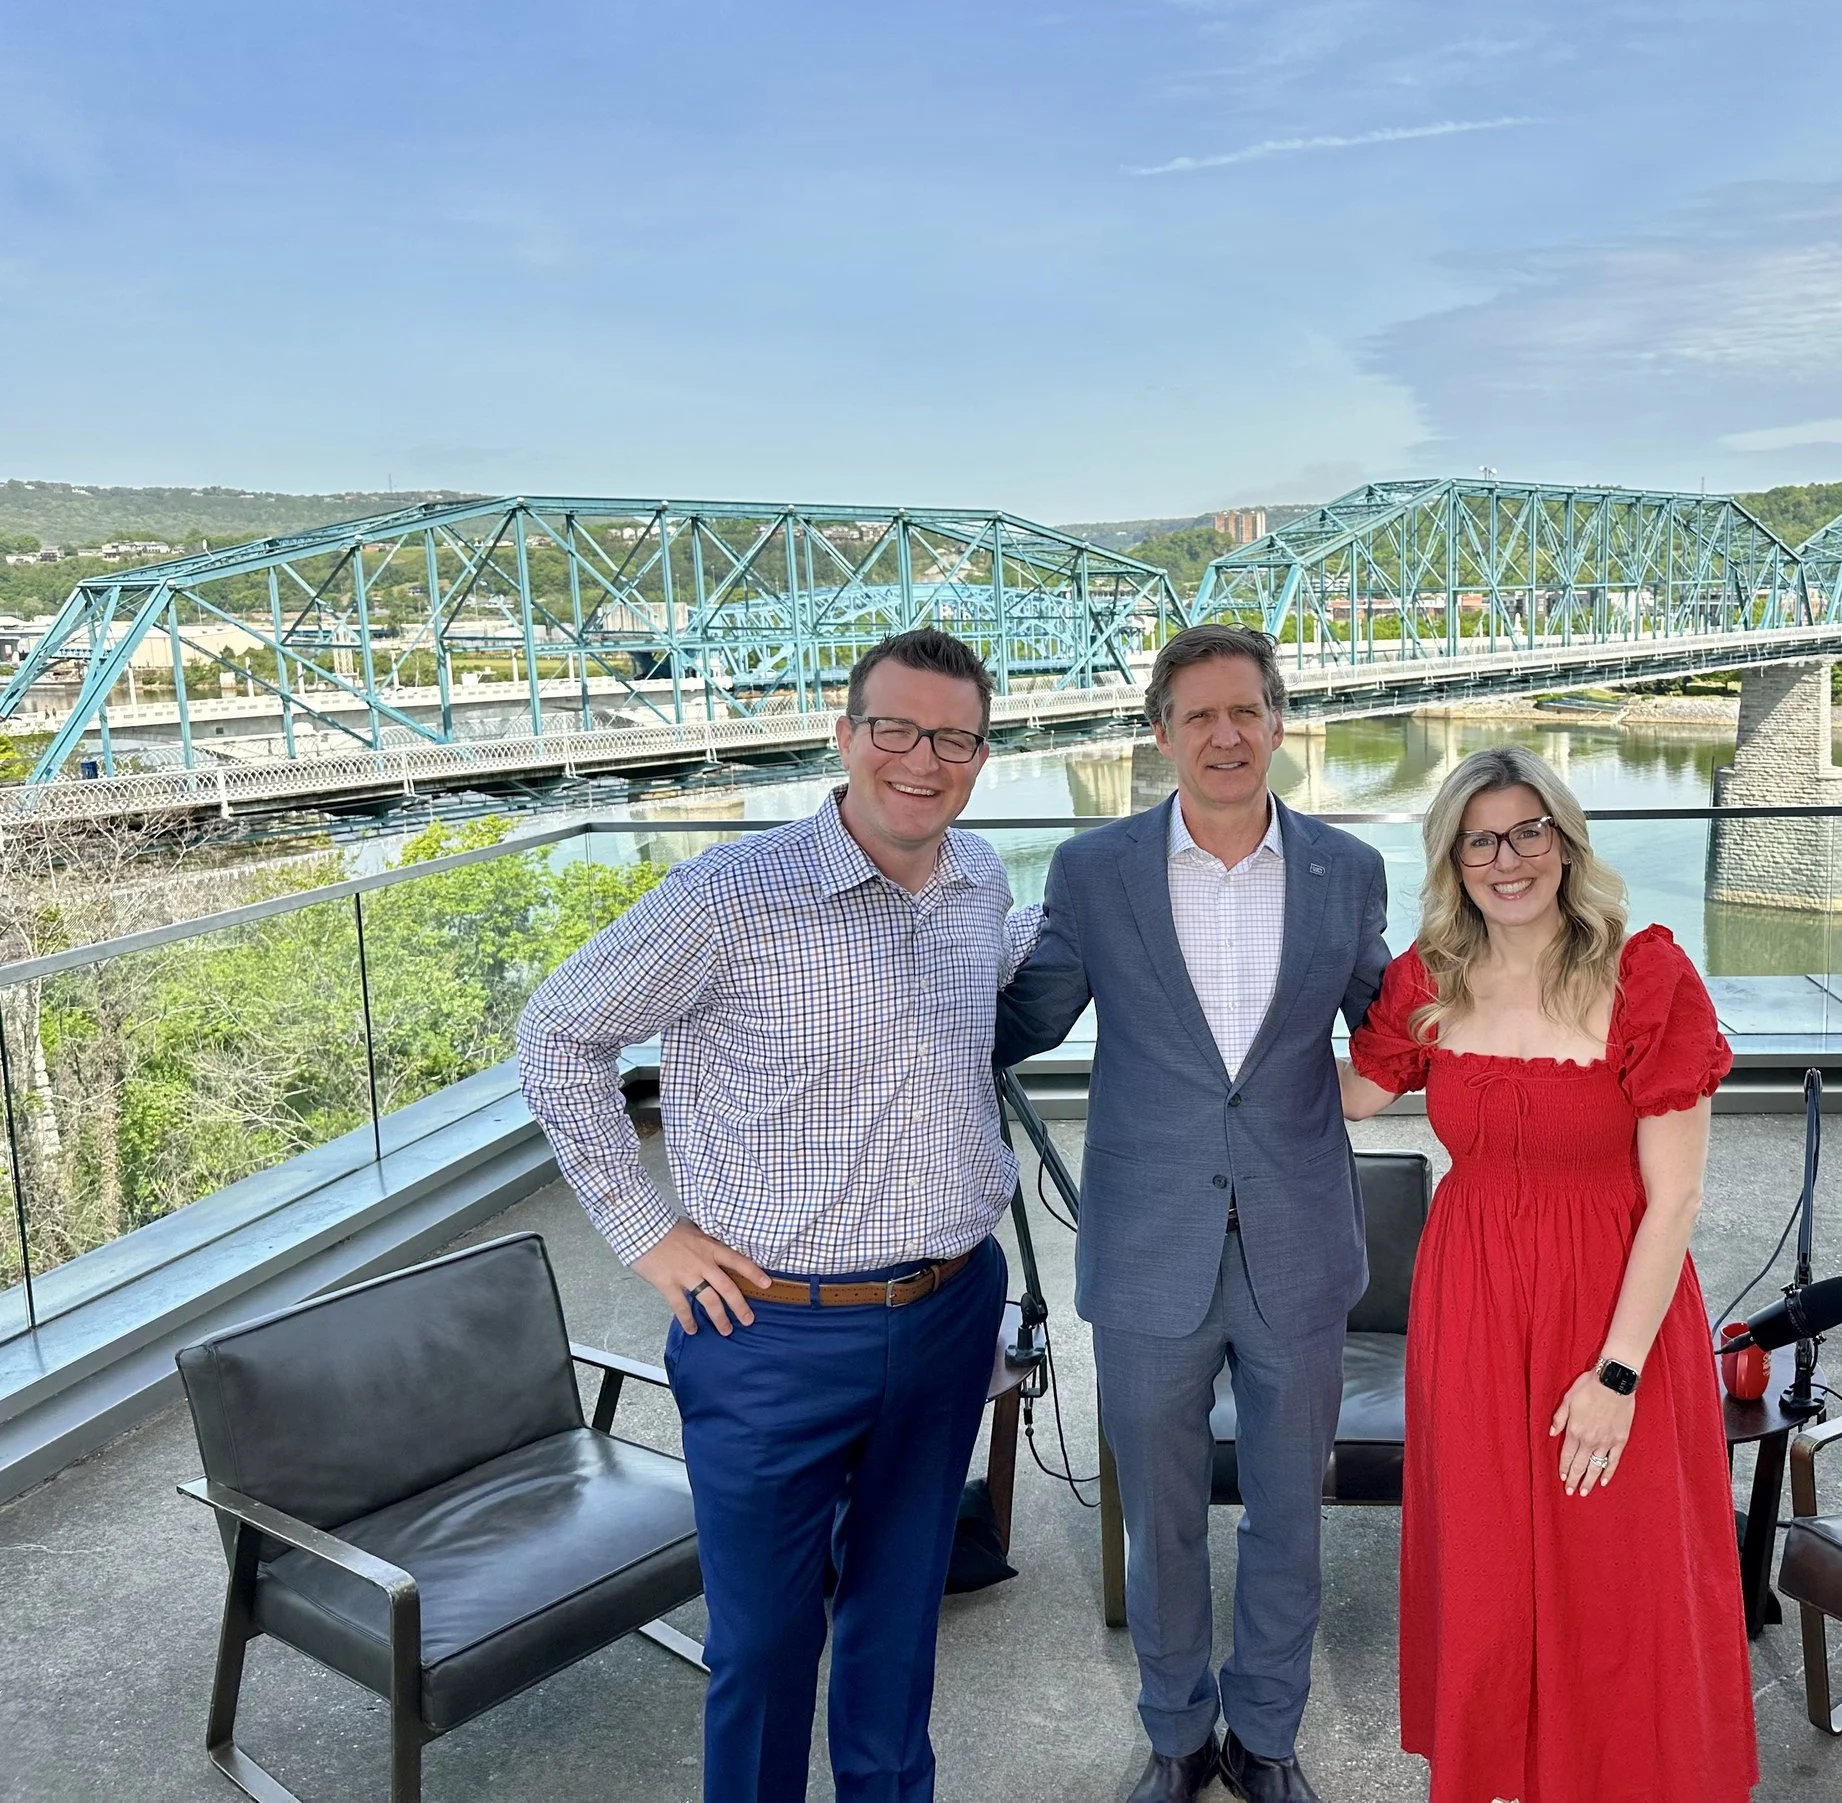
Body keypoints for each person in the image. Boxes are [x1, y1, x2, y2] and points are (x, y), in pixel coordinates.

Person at [516, 626, 1036, 1803]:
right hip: (772, 1331)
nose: (922, 758)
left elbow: (992, 969)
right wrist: (644, 1232)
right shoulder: (727, 898)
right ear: (845, 736)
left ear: (980, 755)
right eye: (895, 729)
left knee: (900, 1622)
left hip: (954, 1306)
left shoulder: (981, 880)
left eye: (953, 738)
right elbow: (556, 1032)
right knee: (761, 1645)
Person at [997, 624, 1390, 1803]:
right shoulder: (1094, 869)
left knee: (1287, 1517)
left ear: (1278, 724)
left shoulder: (1346, 869)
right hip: (1146, 1249)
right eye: (1198, 715)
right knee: (1160, 1523)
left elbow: (1398, 1021)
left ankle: (1265, 1740)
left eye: (1246, 712)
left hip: (1298, 1246)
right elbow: (1027, 1019)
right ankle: (1177, 1739)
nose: (1225, 735)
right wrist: (881, 1010)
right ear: (1160, 733)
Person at [1339, 745, 1758, 1803]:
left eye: (1529, 831)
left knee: (1616, 1569)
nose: (1506, 858)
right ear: (1451, 858)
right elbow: (1347, 1097)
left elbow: (1676, 1200)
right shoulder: (1427, 979)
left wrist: (1614, 1378)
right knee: (1487, 1559)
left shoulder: (1647, 975)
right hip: (1471, 1302)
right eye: (1480, 839)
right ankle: (1507, 1776)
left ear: (1565, 842)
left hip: (1611, 1307)